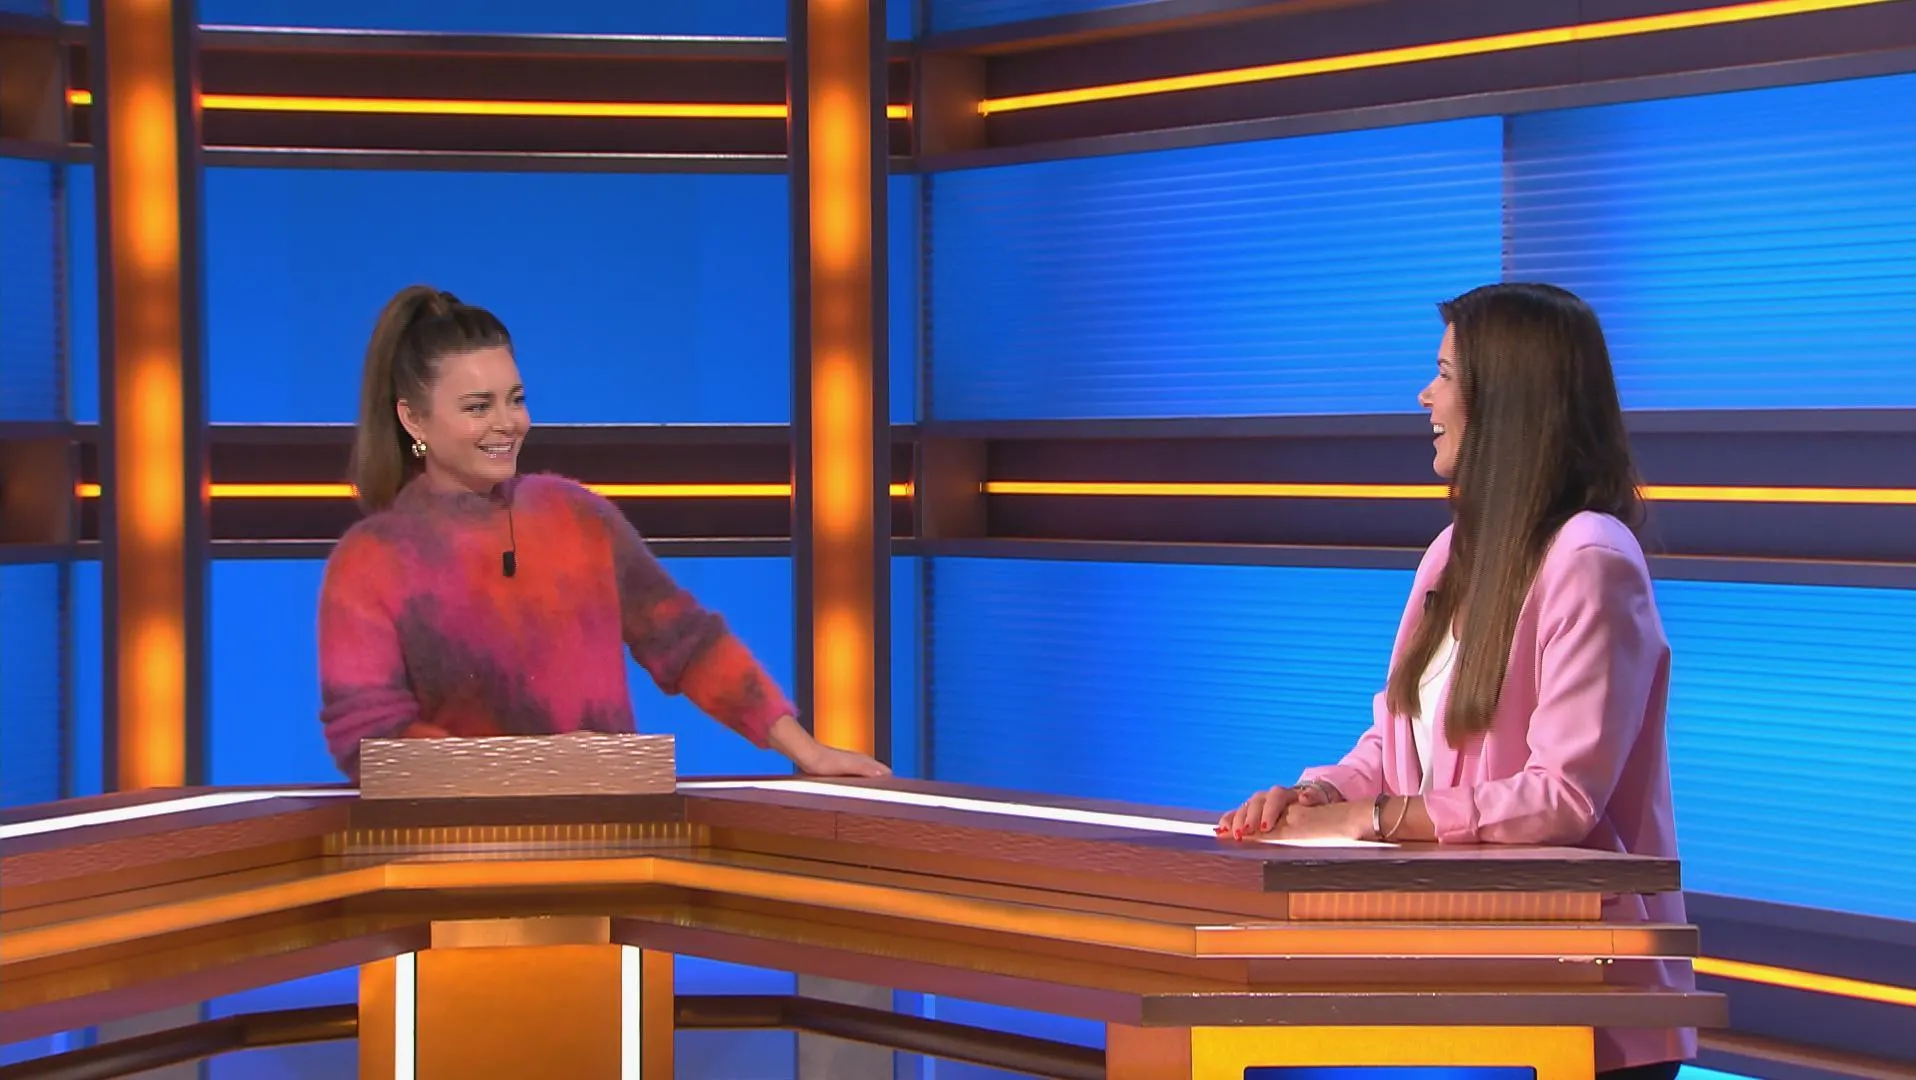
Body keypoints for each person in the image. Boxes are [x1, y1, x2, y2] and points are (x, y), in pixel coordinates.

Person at [1216, 283, 1691, 1080]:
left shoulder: (1591, 557)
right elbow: (1396, 740)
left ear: (1506, 397)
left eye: (1443, 374)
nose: (1424, 396)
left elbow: (1562, 798)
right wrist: (1318, 798)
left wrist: (1379, 821)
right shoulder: (1452, 551)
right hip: (1460, 977)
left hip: (1580, 1002)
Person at [317, 284, 890, 783]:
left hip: (616, 837)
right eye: (477, 406)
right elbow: (370, 741)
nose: (507, 424)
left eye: (516, 400)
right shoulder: (371, 561)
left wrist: (806, 751)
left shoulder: (575, 515)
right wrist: (539, 769)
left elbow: (687, 641)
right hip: (458, 853)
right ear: (413, 418)